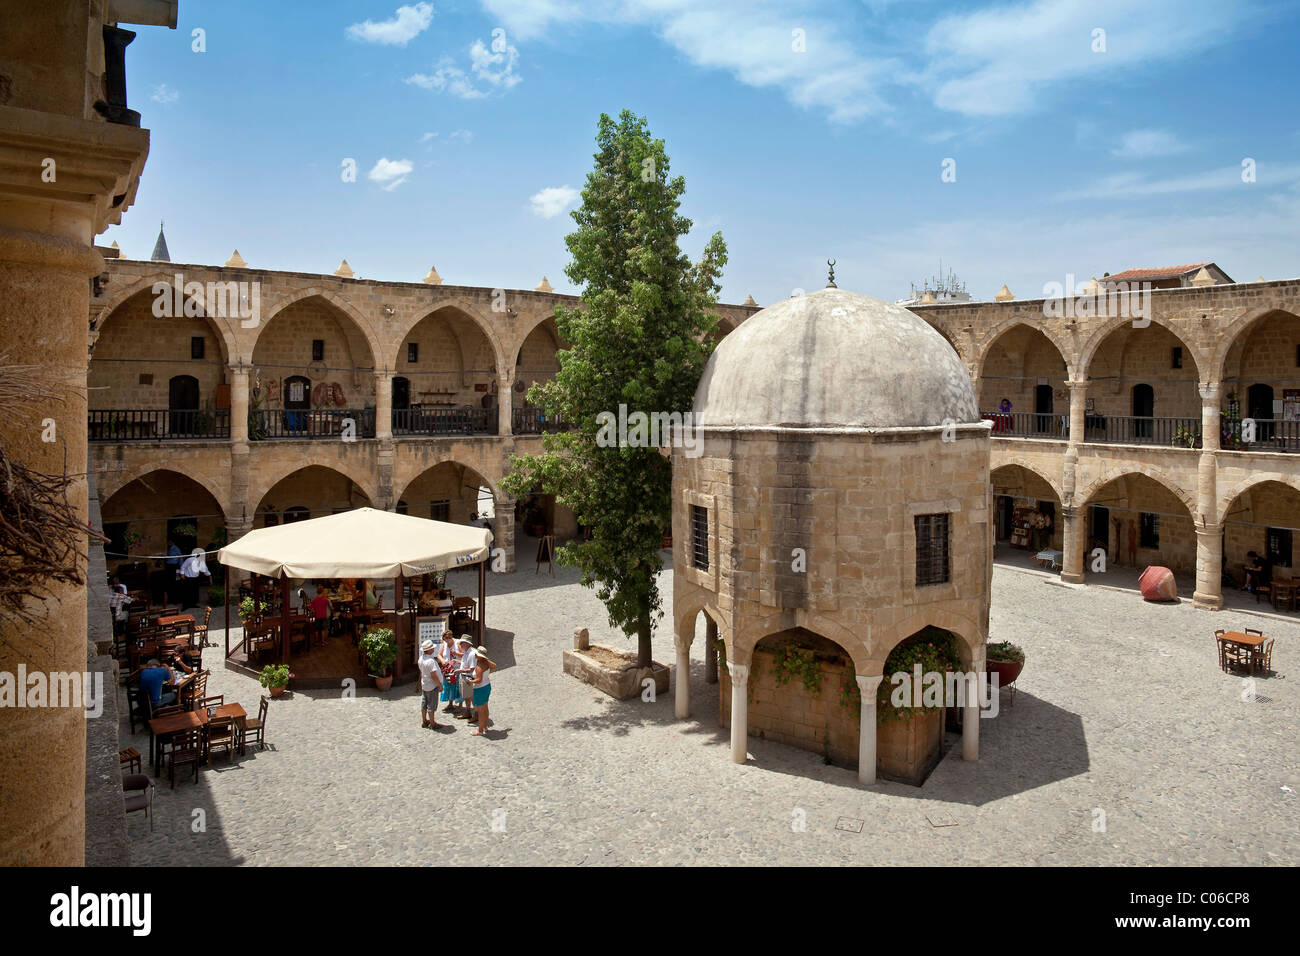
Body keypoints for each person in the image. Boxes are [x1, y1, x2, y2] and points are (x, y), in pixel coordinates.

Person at [417, 639, 444, 729]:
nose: (433, 649)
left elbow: (421, 672)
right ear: (428, 650)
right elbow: (434, 676)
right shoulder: (431, 661)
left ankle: (424, 720)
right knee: (431, 705)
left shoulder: (421, 659)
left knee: (424, 703)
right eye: (432, 648)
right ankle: (432, 723)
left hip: (425, 684)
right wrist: (440, 685)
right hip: (432, 686)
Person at [469, 645, 496, 737]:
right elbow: (494, 666)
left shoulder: (479, 665)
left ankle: (480, 730)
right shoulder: (486, 663)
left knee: (480, 711)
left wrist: (470, 681)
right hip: (487, 685)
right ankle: (484, 726)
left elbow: (478, 679)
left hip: (480, 688)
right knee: (485, 707)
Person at [454, 638, 478, 721]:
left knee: (471, 697)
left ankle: (476, 714)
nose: (460, 645)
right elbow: (465, 663)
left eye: (462, 643)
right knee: (466, 696)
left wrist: (460, 670)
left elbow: (472, 669)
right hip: (464, 676)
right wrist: (457, 662)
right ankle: (468, 712)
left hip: (468, 678)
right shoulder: (466, 652)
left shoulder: (471, 654)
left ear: (467, 644)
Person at [437, 631, 461, 713]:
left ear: (451, 638)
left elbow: (464, 654)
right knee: (449, 686)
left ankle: (459, 705)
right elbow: (439, 655)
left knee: (457, 687)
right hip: (448, 669)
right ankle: (450, 703)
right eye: (445, 640)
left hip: (457, 668)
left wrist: (456, 653)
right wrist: (442, 660)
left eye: (448, 640)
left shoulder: (457, 643)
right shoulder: (444, 644)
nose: (446, 642)